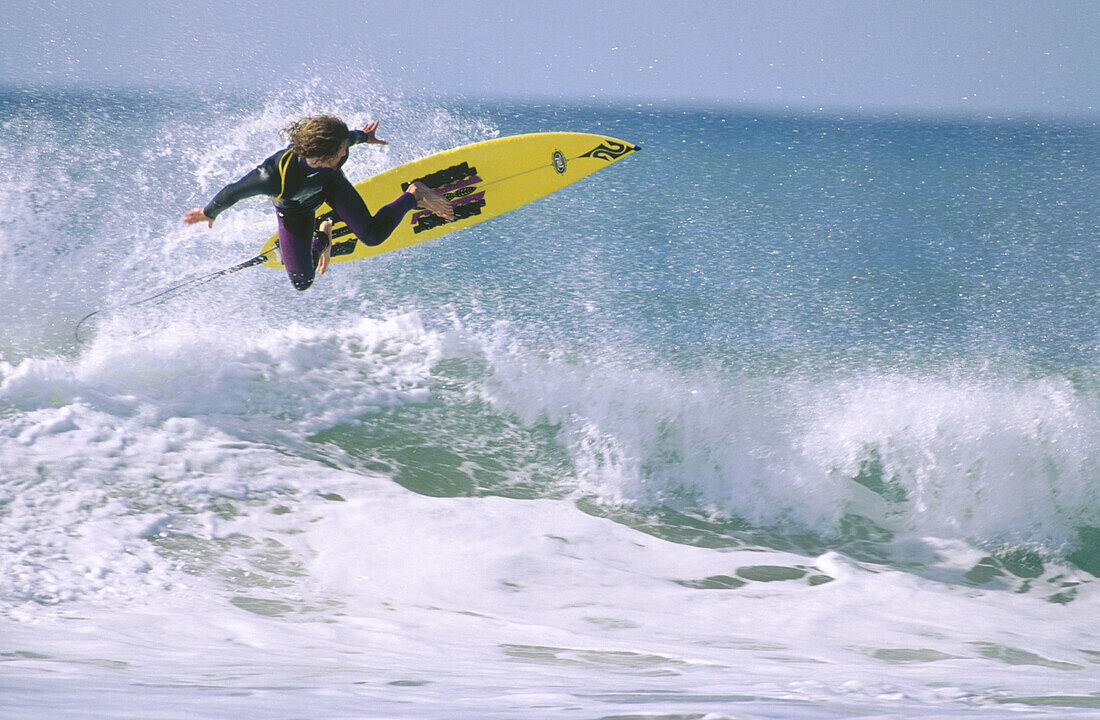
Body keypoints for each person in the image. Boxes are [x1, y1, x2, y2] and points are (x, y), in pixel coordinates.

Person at [184, 115, 454, 291]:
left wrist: (364, 136)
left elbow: (349, 137)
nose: (346, 151)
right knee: (302, 282)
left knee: (372, 236)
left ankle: (415, 195)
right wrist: (209, 212)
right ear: (324, 157)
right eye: (342, 151)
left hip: (331, 187)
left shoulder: (336, 146)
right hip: (294, 210)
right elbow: (232, 192)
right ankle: (323, 237)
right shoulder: (271, 177)